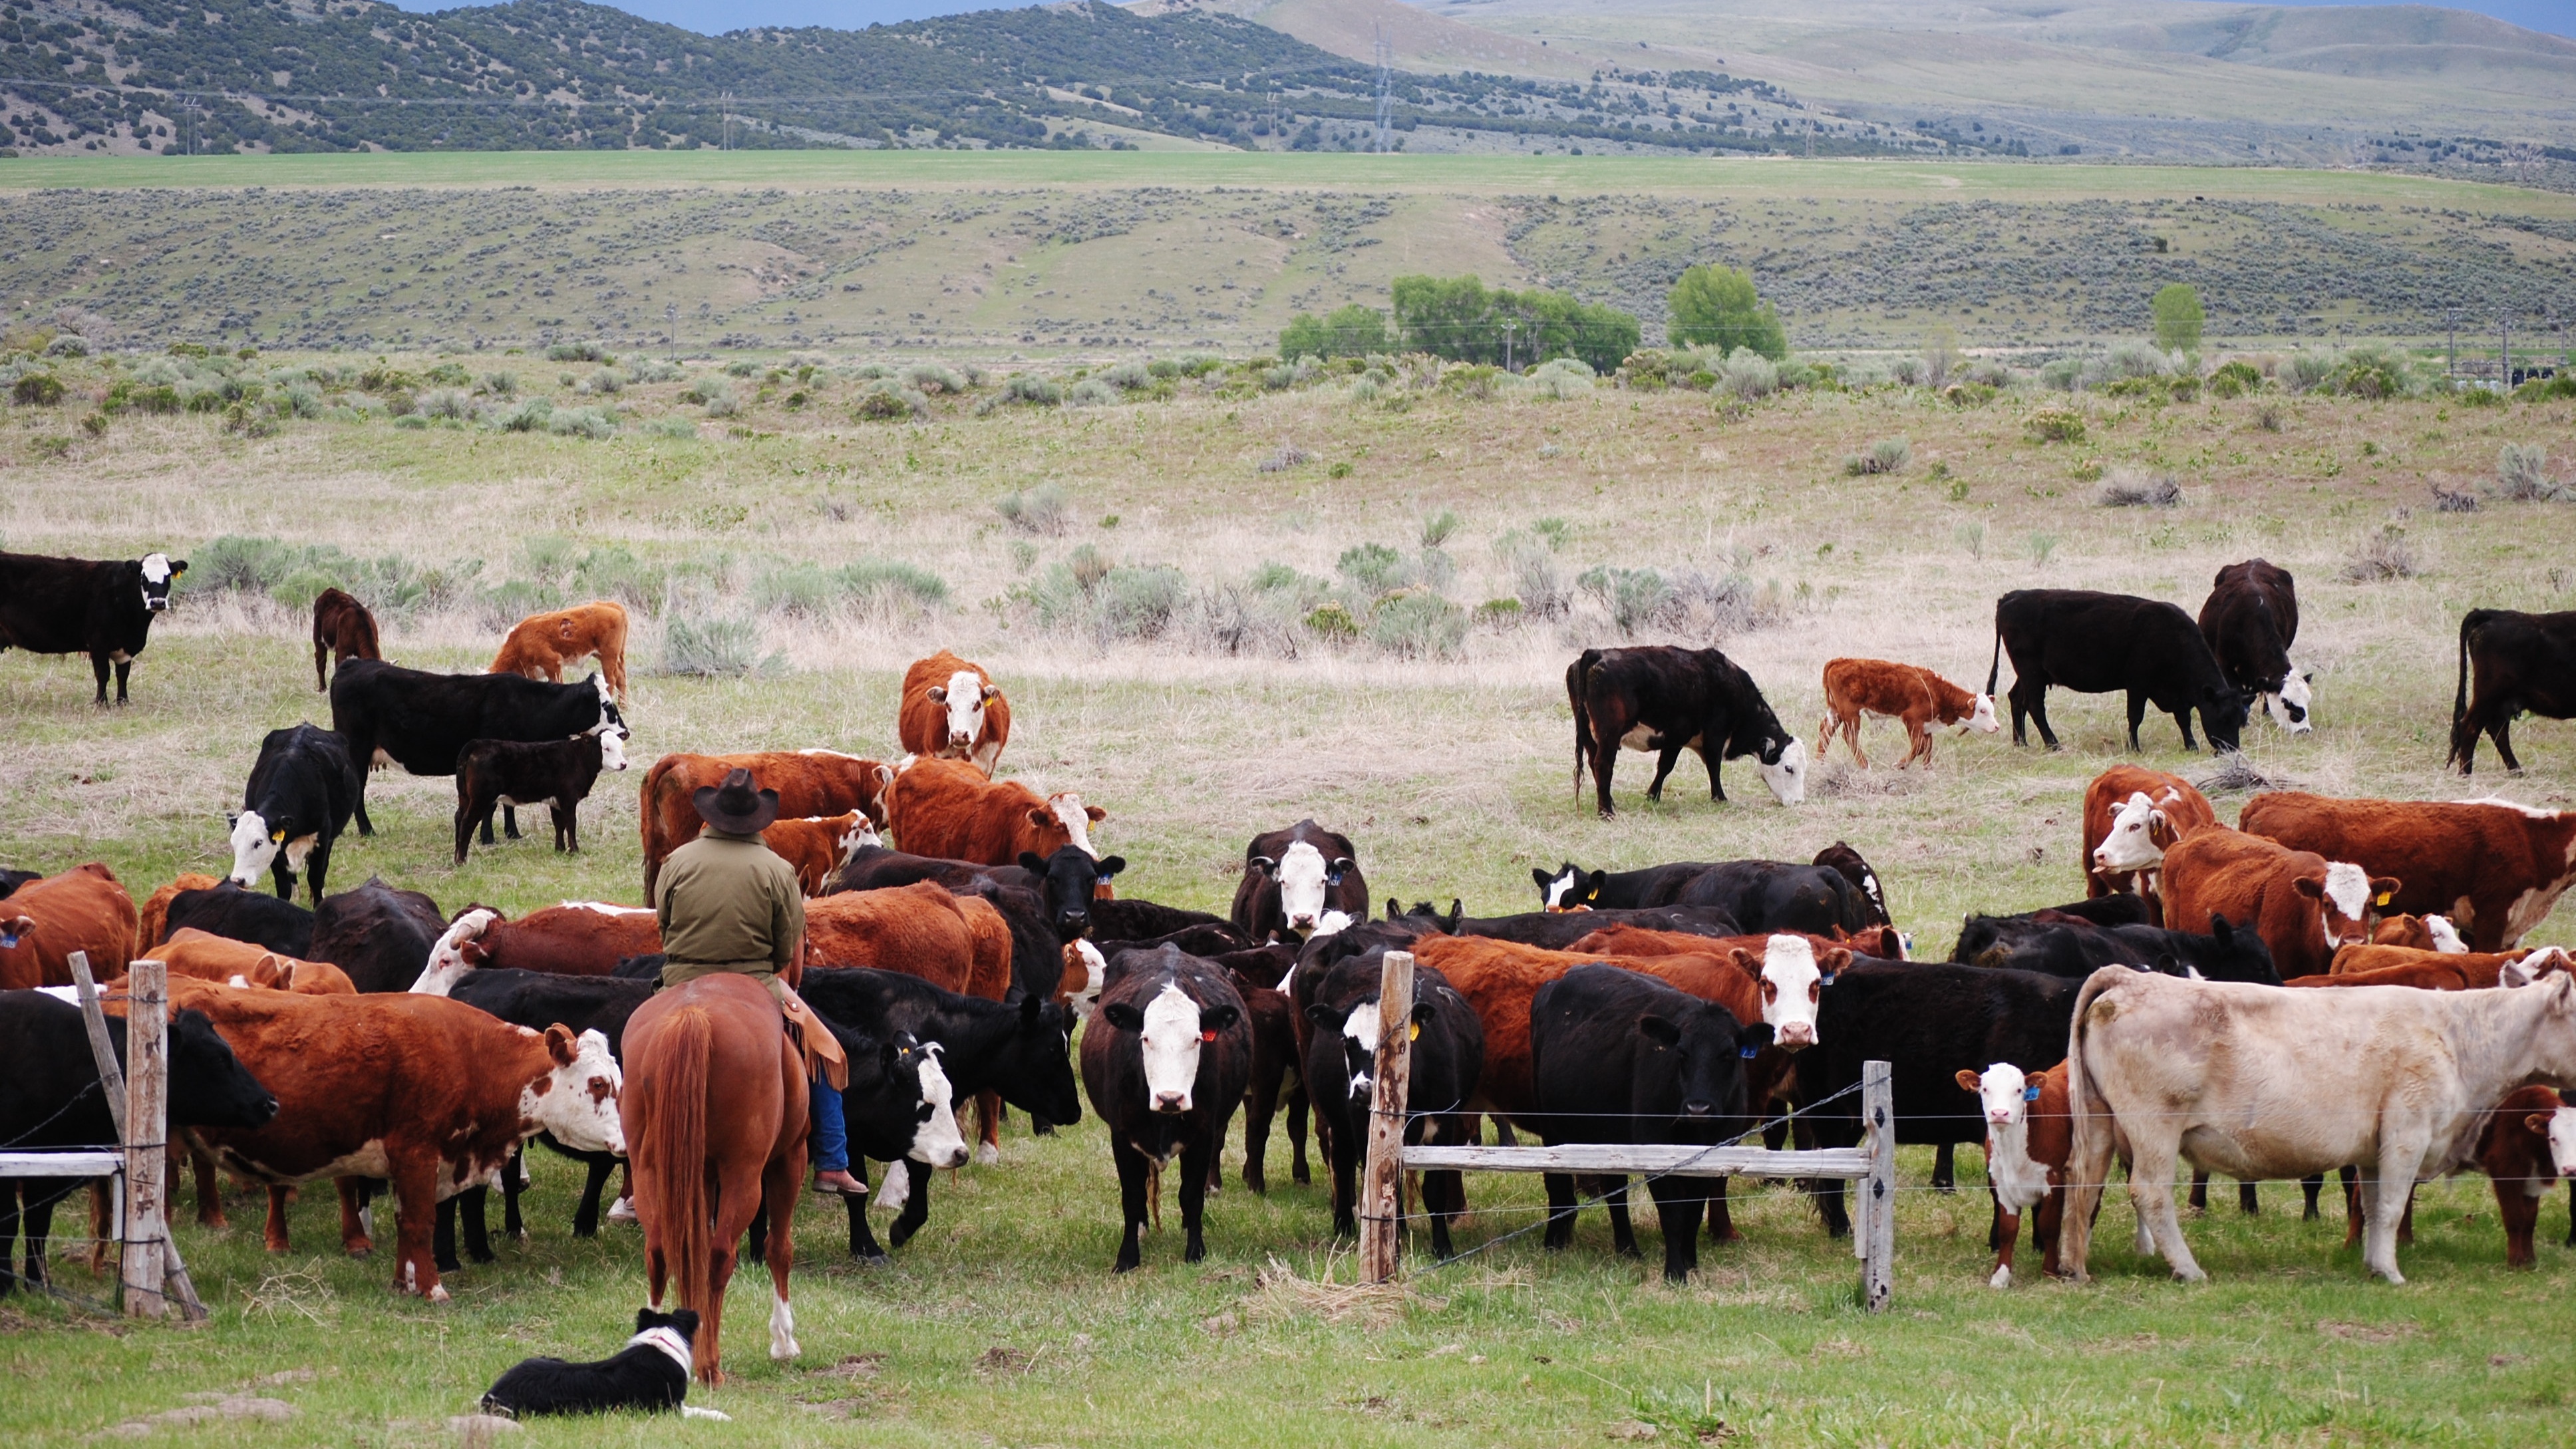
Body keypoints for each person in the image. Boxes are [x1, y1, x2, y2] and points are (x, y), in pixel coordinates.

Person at [653, 766, 865, 1198]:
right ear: (757, 819)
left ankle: (636, 1169)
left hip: (679, 980)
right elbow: (788, 946)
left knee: (625, 1050)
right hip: (755, 982)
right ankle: (831, 1162)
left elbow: (664, 925)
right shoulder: (778, 869)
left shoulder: (675, 862)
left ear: (710, 816)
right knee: (825, 1054)